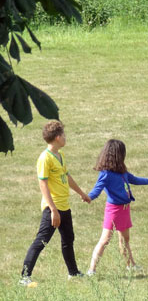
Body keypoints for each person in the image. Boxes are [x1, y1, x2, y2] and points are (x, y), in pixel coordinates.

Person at [20, 121, 91, 287]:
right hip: (53, 208)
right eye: (64, 135)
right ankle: (24, 277)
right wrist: (53, 210)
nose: (65, 138)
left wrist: (81, 193)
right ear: (58, 137)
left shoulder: (60, 156)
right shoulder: (45, 158)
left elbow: (67, 177)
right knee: (41, 241)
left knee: (68, 239)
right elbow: (43, 184)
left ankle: (73, 273)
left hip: (64, 206)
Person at [87, 139, 148, 274]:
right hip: (113, 211)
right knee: (105, 240)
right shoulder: (106, 174)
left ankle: (130, 265)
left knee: (125, 239)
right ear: (117, 155)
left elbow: (134, 179)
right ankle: (92, 269)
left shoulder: (121, 171)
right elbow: (97, 189)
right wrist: (89, 197)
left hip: (125, 209)